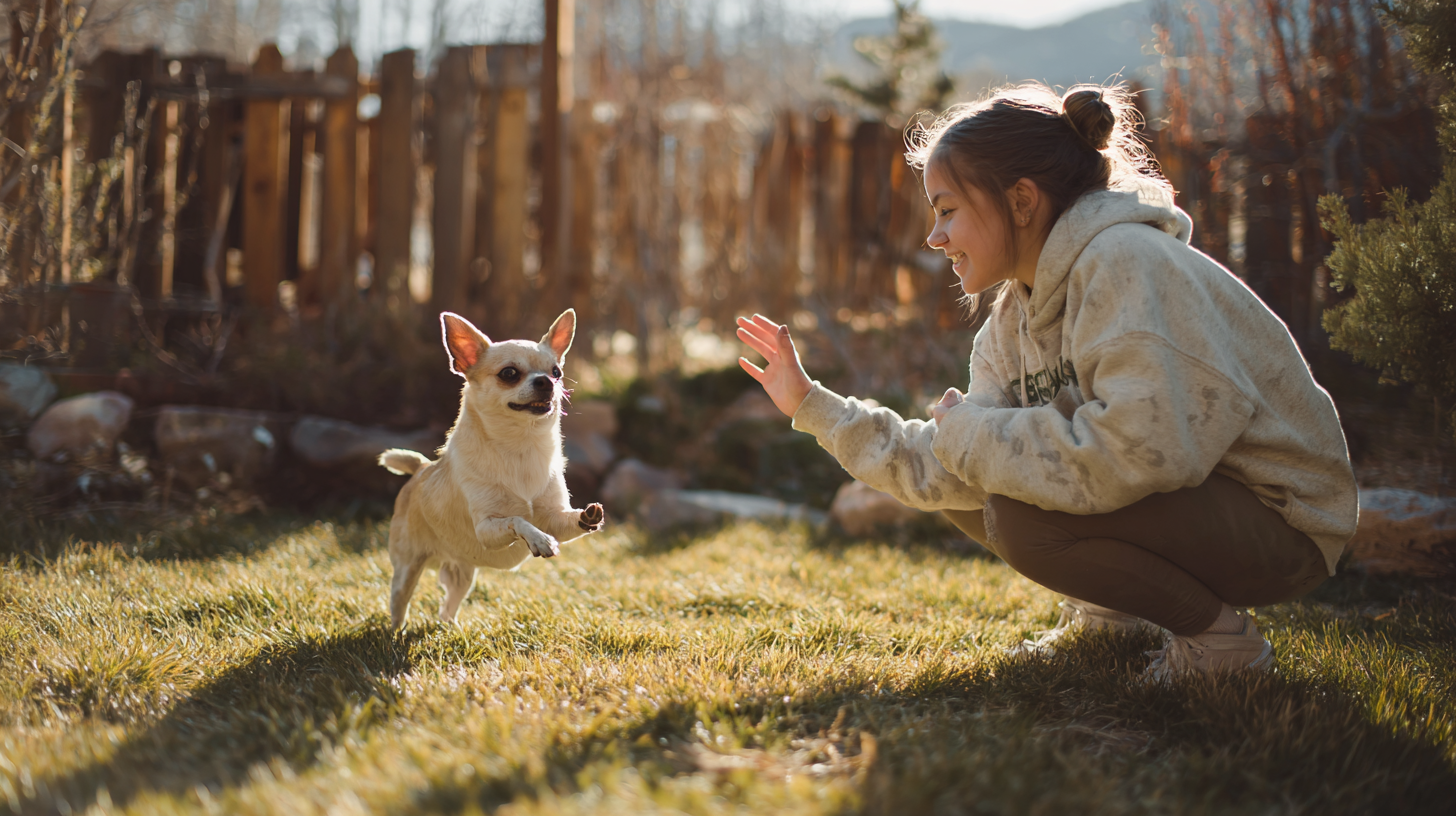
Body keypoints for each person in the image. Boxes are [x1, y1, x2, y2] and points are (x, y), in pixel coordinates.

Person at [735, 83, 1358, 681]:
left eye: (948, 210)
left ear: (1022, 201)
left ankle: (1222, 647)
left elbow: (1144, 450)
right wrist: (811, 405)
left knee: (1017, 510)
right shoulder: (1012, 322)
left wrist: (974, 439)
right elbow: (953, 464)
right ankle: (1117, 617)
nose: (935, 236)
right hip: (1199, 505)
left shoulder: (1127, 264)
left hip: (1284, 522)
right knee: (982, 488)